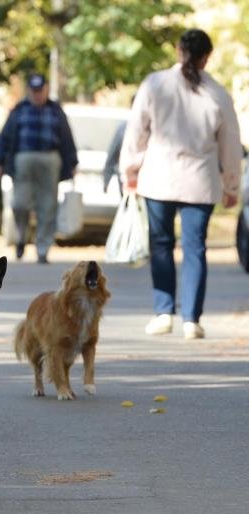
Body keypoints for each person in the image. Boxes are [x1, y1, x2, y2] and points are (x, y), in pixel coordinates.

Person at [120, 28, 242, 340]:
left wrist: (130, 171)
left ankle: (163, 312)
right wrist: (231, 185)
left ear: (178, 50)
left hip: (158, 177)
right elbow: (230, 143)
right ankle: (191, 319)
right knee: (195, 249)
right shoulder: (218, 94)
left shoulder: (155, 84)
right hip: (199, 182)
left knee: (160, 245)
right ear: (207, 58)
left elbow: (136, 131)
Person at [0, 74, 78, 264]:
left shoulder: (55, 110)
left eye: (41, 90)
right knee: (19, 204)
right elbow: (5, 137)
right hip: (23, 160)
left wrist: (72, 163)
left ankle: (43, 249)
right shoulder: (19, 110)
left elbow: (67, 138)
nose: (37, 94)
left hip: (50, 160)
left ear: (46, 90)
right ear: (29, 91)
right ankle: (22, 237)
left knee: (48, 207)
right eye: (34, 91)